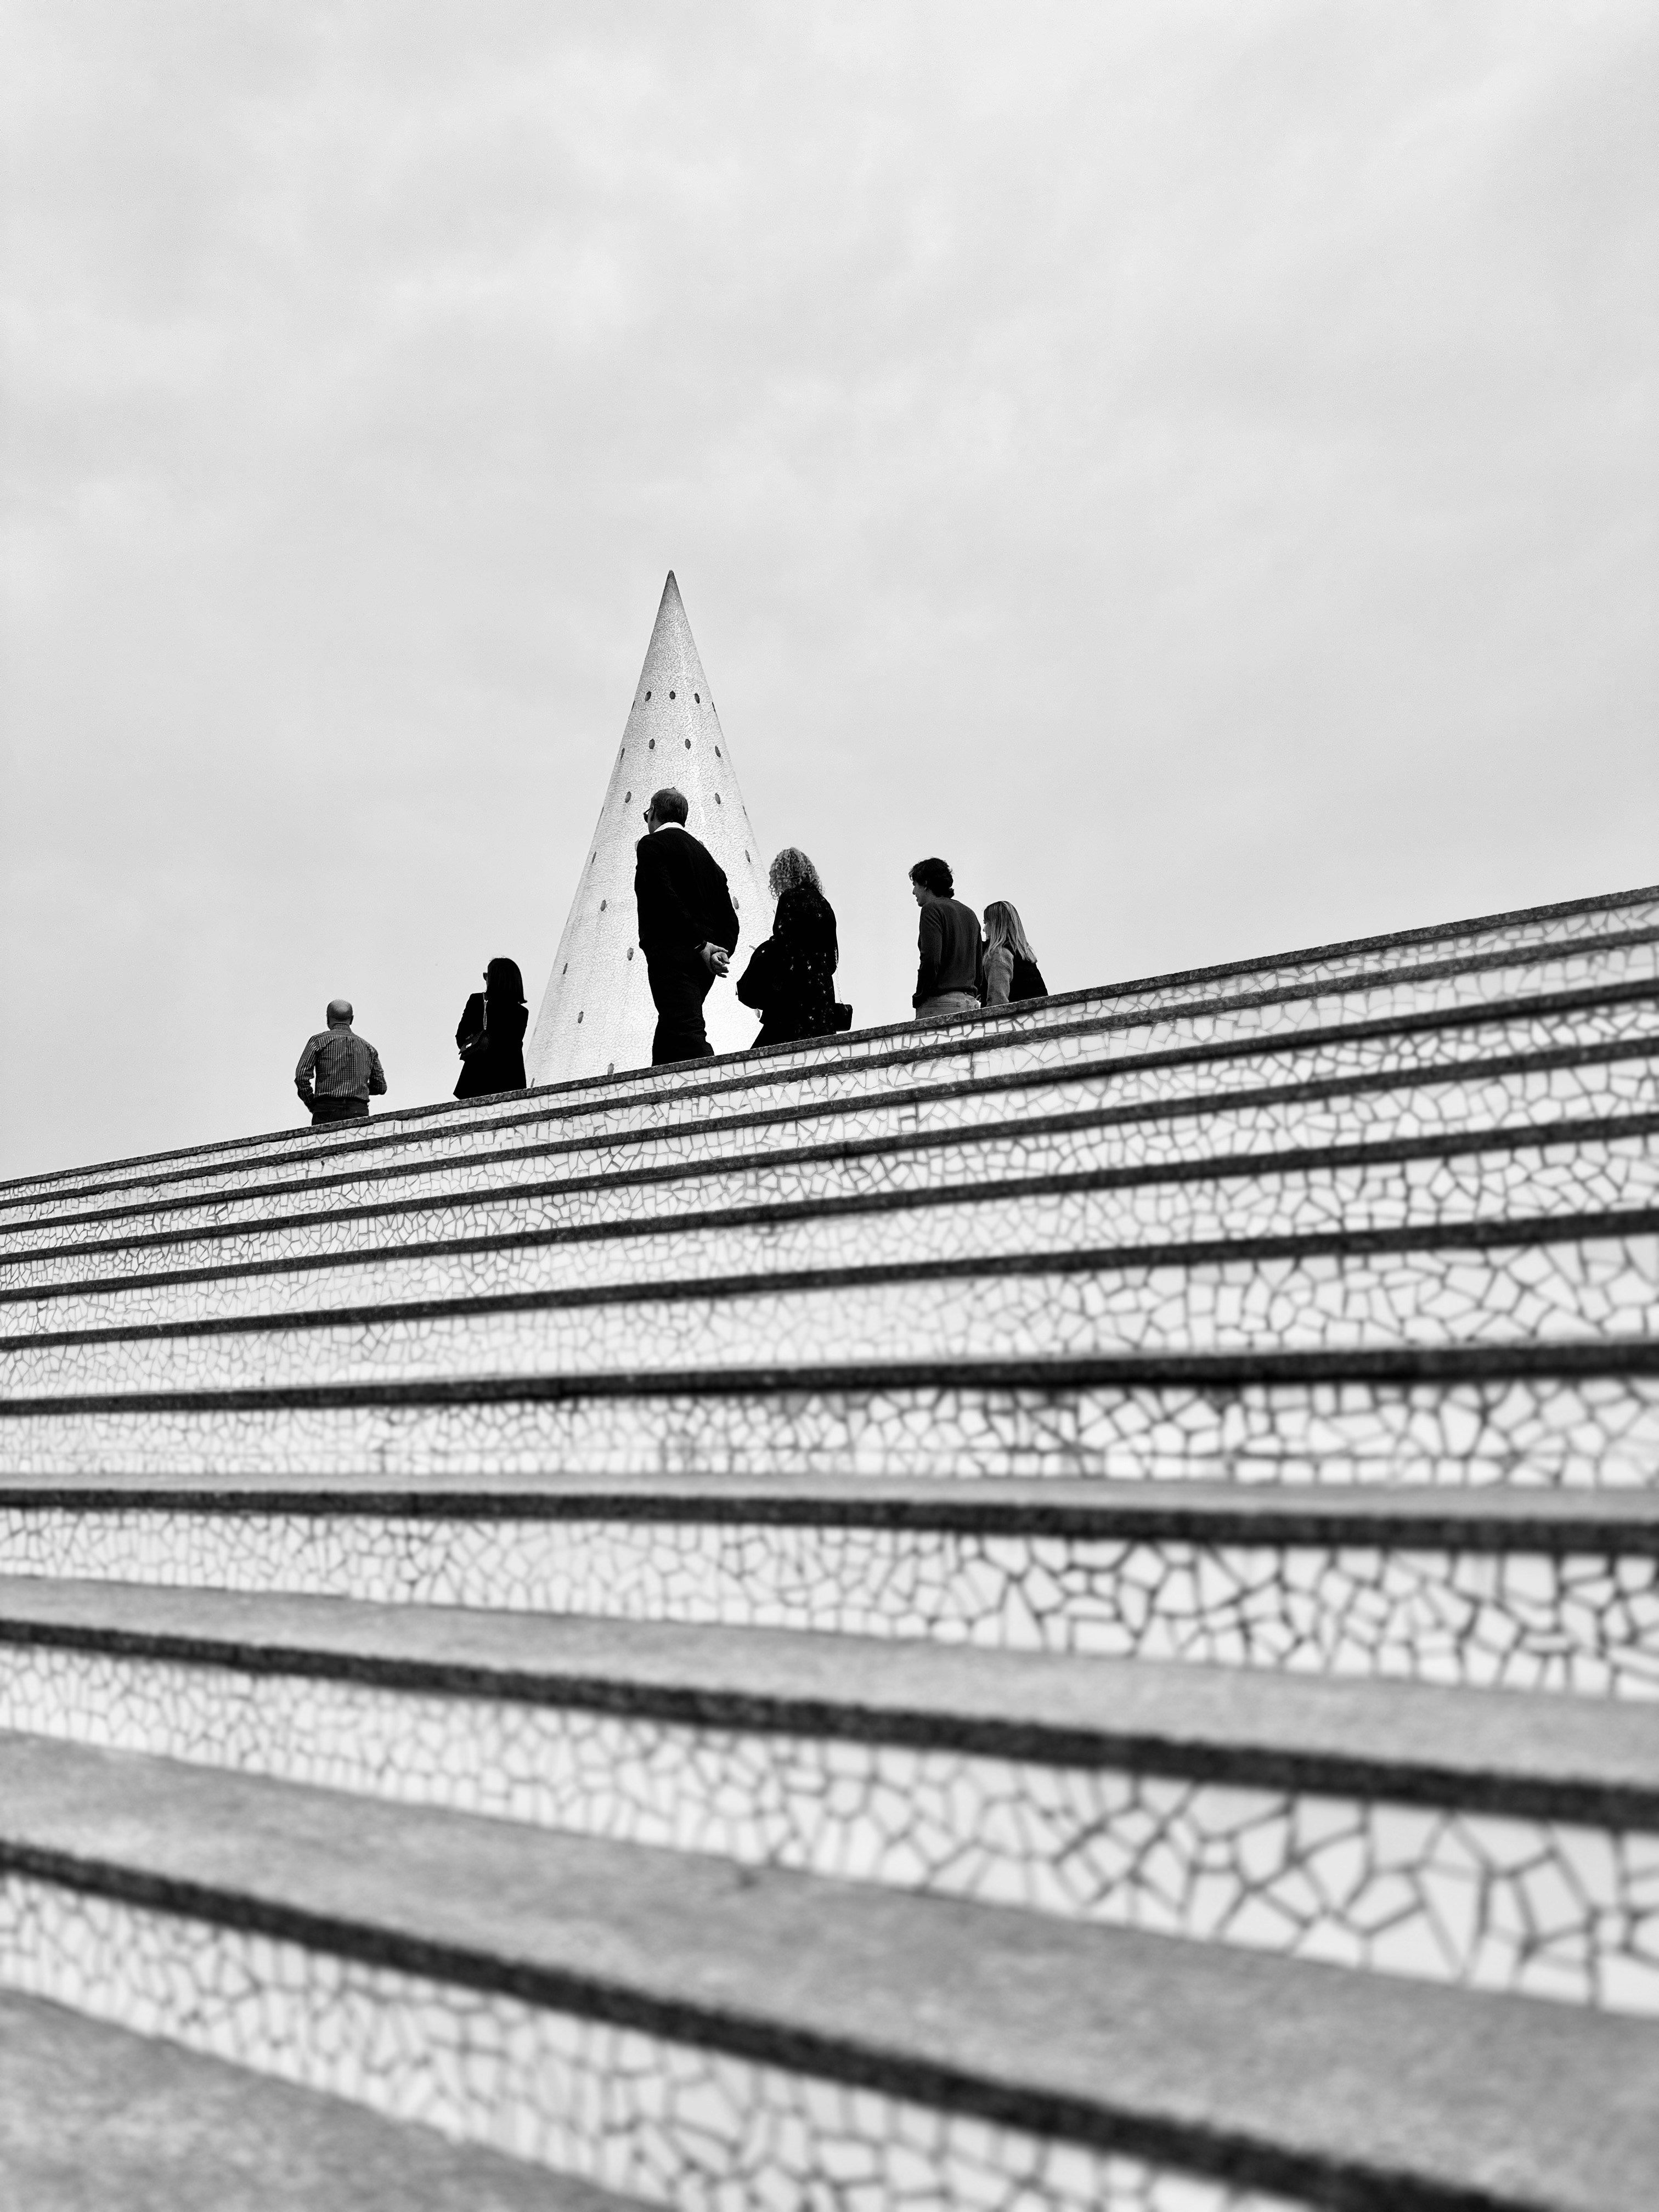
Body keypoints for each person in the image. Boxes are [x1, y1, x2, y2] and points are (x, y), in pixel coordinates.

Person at [634, 786, 740, 1064]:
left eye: (647, 814)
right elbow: (730, 919)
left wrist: (701, 945)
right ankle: (655, 1094)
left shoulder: (652, 845)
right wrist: (720, 951)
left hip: (670, 957)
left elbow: (664, 898)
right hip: (703, 966)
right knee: (671, 1031)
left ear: (654, 812)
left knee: (686, 1032)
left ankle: (721, 1091)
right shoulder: (709, 861)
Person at [736, 848, 840, 1047]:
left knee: (764, 1057)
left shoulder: (790, 899)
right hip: (822, 995)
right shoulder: (825, 905)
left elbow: (782, 947)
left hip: (795, 994)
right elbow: (832, 961)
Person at [909, 856, 981, 1021]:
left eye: (915, 885)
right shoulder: (970, 914)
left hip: (939, 1005)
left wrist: (920, 996)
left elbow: (931, 960)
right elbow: (979, 968)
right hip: (970, 1002)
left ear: (925, 883)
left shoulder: (931, 909)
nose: (914, 892)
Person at [294, 1000, 387, 1125]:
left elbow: (301, 1077)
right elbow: (381, 1087)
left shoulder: (318, 1042)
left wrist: (313, 1104)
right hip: (358, 1110)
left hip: (325, 1109)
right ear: (352, 1019)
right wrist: (358, 1087)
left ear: (328, 1018)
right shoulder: (368, 1048)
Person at [454, 957, 528, 1099]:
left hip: (477, 1078)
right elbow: (512, 1047)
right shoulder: (521, 1013)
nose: (485, 978)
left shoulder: (477, 1001)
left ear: (495, 978)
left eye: (487, 975)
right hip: (510, 1079)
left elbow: (461, 1038)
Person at [981, 901, 1050, 1006]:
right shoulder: (1024, 955)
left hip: (1016, 1020)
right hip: (1037, 1017)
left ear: (996, 925)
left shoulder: (999, 954)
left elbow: (997, 1002)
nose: (984, 929)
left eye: (986, 923)